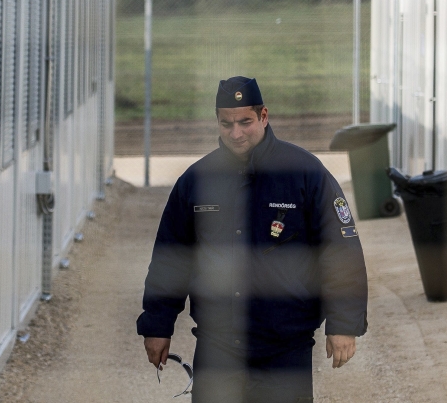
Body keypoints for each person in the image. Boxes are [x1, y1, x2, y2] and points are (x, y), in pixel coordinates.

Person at [138, 76, 369, 403]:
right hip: (217, 345)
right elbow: (170, 258)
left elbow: (341, 251)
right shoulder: (197, 180)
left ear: (263, 116)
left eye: (245, 122)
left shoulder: (304, 173)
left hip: (285, 348)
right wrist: (157, 325)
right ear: (217, 122)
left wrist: (343, 323)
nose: (236, 133)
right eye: (226, 124)